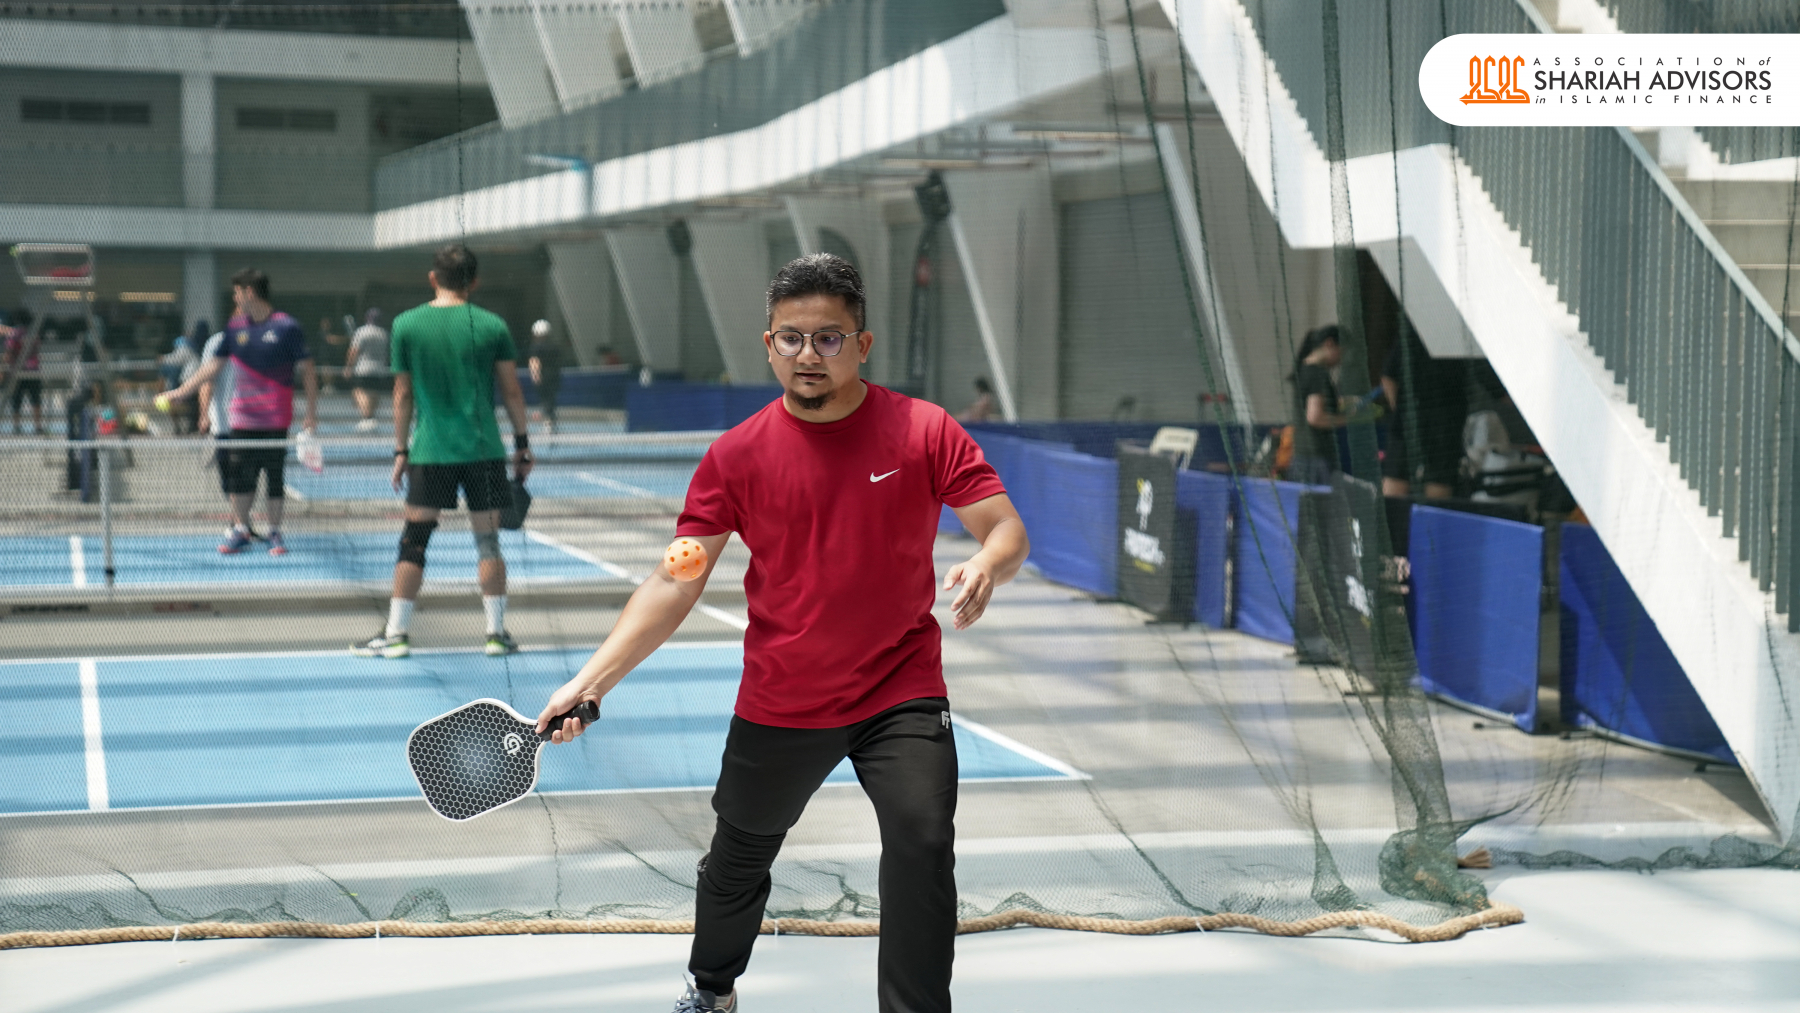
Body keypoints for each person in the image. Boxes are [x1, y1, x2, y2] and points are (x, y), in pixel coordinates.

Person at [535, 253, 1030, 1013]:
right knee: (737, 858)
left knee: (923, 841)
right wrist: (590, 681)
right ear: (769, 345)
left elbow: (1005, 528)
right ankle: (712, 988)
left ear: (862, 345)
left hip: (899, 687)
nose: (809, 354)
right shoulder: (735, 457)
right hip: (784, 696)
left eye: (829, 338)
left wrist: (989, 563)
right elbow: (676, 578)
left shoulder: (923, 430)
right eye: (792, 338)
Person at [352, 244, 534, 660]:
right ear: (475, 281)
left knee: (414, 541)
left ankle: (396, 634)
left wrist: (401, 449)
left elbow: (402, 394)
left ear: (433, 278)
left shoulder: (407, 324)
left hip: (429, 451)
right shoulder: (492, 325)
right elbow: (512, 390)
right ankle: (495, 633)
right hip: (484, 451)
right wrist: (523, 443)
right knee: (488, 542)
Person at [162, 268, 319, 555]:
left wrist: (311, 412)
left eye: (236, 292)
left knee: (274, 477)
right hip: (242, 419)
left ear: (249, 292)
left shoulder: (287, 327)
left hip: (275, 419)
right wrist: (181, 392)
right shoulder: (235, 328)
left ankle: (274, 532)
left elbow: (308, 371)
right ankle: (241, 529)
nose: (234, 297)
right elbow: (212, 366)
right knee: (239, 478)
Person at [1288, 324, 1346, 486]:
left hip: (1301, 456)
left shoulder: (1303, 369)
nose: (1341, 359)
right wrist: (1349, 419)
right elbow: (1315, 418)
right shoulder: (1317, 373)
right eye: (1341, 352)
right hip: (1317, 459)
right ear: (1329, 344)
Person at [344, 308, 391, 432]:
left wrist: (348, 367)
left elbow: (354, 351)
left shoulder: (361, 332)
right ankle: (371, 419)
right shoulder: (384, 334)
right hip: (380, 369)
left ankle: (367, 417)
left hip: (363, 368)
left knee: (358, 391)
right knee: (374, 392)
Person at [3, 309, 43, 435]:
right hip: (33, 369)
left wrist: (6, 362)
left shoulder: (14, 333)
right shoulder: (33, 332)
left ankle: (17, 426)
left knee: (16, 399)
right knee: (35, 398)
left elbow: (9, 351)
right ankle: (37, 426)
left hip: (17, 371)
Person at [527, 319, 564, 433]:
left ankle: (548, 422)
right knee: (551, 399)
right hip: (554, 376)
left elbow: (534, 362)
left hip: (543, 377)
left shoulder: (535, 347)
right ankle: (551, 420)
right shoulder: (554, 346)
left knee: (545, 400)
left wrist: (535, 375)